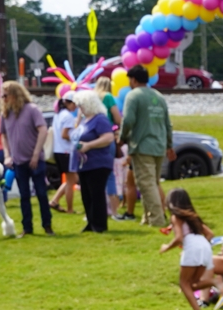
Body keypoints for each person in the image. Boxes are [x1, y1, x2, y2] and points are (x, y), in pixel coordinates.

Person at [119, 65, 175, 228]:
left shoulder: (133, 96)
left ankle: (157, 219)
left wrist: (122, 138)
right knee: (152, 182)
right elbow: (167, 124)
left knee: (146, 184)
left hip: (142, 145)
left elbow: (128, 120)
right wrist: (169, 145)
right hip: (159, 145)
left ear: (133, 80)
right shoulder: (158, 96)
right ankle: (147, 217)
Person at [159, 187, 223, 310]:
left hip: (193, 246)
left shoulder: (176, 217)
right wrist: (199, 247)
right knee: (192, 284)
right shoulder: (193, 217)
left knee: (183, 283)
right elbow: (210, 234)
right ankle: (214, 281)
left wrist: (166, 247)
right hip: (204, 246)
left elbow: (179, 238)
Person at [0, 81, 53, 236]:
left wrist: (36, 154)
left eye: (6, 95)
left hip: (35, 159)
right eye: (2, 96)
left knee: (41, 193)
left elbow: (43, 130)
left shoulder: (32, 109)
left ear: (15, 95)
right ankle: (27, 227)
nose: (3, 99)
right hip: (18, 161)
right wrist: (7, 155)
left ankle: (47, 225)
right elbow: (3, 135)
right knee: (24, 195)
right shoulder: (6, 113)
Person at [71, 90, 116, 234]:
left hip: (98, 162)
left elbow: (108, 137)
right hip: (84, 164)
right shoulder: (84, 120)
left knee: (96, 194)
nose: (79, 108)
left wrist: (89, 145)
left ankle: (99, 224)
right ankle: (91, 222)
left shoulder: (100, 119)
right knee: (86, 194)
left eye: (81, 105)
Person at [94, 76, 124, 218]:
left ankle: (98, 208)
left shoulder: (92, 97)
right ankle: (113, 210)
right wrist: (118, 128)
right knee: (109, 173)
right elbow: (117, 118)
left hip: (93, 138)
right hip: (107, 136)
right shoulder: (108, 97)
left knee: (95, 174)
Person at [49, 92, 78, 215]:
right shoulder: (68, 116)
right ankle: (70, 209)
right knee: (71, 181)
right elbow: (65, 135)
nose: (76, 107)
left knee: (72, 179)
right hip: (66, 151)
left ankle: (55, 200)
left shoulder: (58, 114)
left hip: (59, 150)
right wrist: (76, 138)